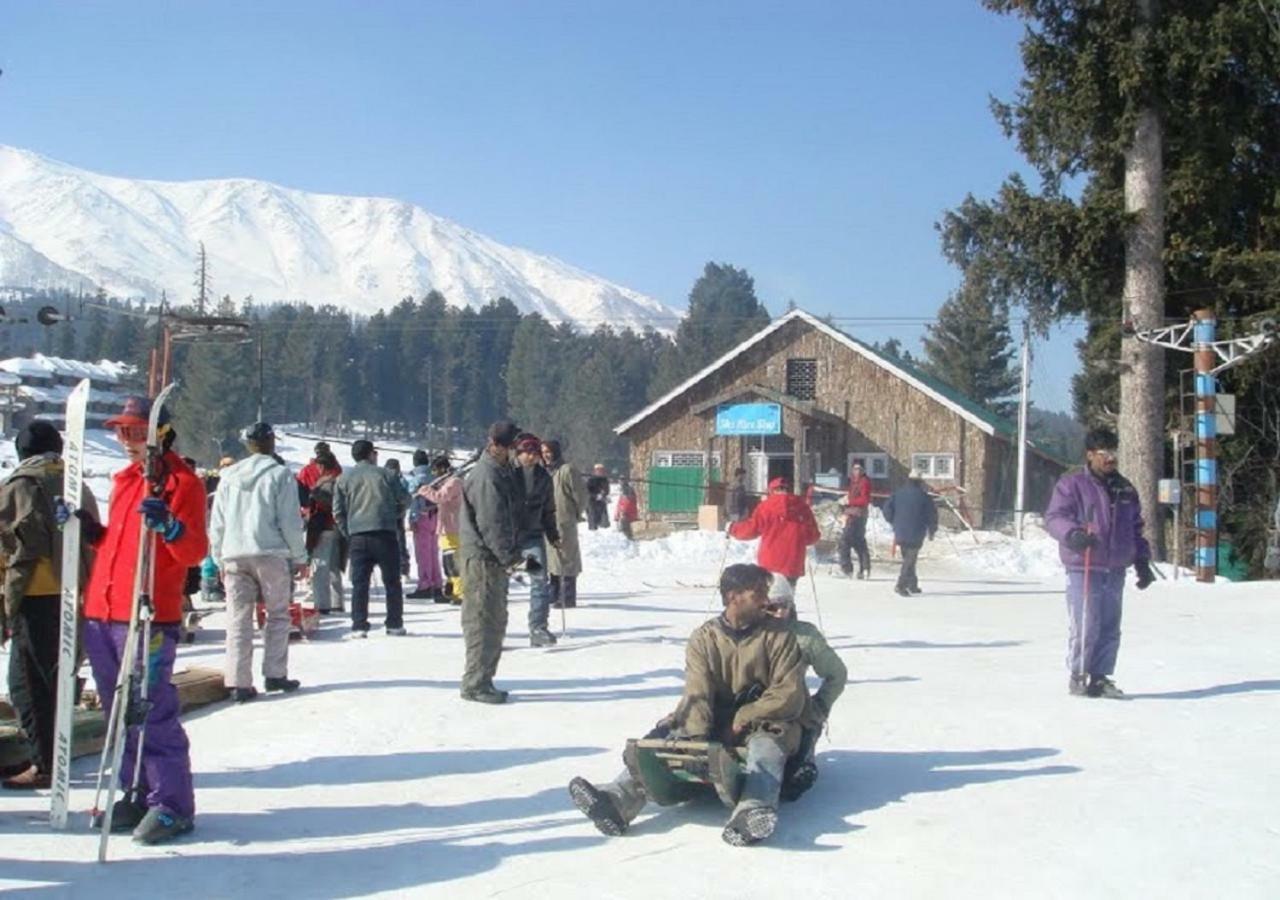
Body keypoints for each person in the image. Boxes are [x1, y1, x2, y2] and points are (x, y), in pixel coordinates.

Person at [567, 563, 807, 846]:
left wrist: (745, 715)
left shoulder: (780, 637)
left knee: (765, 749)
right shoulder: (704, 638)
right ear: (733, 597)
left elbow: (788, 693)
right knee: (667, 739)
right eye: (757, 594)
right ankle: (617, 799)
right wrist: (693, 738)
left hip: (766, 718)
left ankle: (752, 811)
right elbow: (698, 690)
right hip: (715, 714)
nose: (765, 601)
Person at [78, 395, 207, 844]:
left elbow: (193, 552)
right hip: (104, 610)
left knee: (149, 707)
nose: (124, 440)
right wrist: (89, 530)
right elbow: (119, 543)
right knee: (119, 712)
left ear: (159, 433)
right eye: (120, 431)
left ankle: (172, 802)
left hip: (148, 613)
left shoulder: (182, 483)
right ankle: (136, 788)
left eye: (134, 432)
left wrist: (170, 526)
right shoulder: (125, 481)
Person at [0, 421, 98, 790]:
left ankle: (45, 762)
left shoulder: (20, 486)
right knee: (61, 674)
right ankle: (51, 751)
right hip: (76, 589)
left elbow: (8, 543)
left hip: (36, 593)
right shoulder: (77, 485)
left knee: (27, 683)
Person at [1044, 427, 1153, 699]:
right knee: (1086, 622)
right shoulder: (1072, 484)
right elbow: (1054, 517)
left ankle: (1101, 676)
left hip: (1115, 567)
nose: (1110, 459)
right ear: (1090, 455)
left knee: (1109, 624)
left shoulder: (1125, 488)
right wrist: (1073, 534)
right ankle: (1079, 674)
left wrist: (1141, 560)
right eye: (1104, 453)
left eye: (1114, 452)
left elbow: (1135, 527)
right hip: (1085, 565)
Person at [208, 422, 308, 703]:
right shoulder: (279, 475)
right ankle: (275, 674)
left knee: (238, 619)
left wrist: (217, 556)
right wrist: (299, 556)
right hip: (270, 552)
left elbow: (217, 522)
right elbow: (290, 520)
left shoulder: (228, 476)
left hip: (234, 553)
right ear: (271, 442)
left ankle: (239, 682)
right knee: (277, 614)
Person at [761, 577, 847, 800]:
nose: (780, 613)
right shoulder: (747, 632)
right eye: (772, 607)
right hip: (750, 705)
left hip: (792, 711)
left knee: (793, 777)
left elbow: (836, 674)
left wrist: (819, 707)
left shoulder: (804, 637)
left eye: (785, 606)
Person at [458, 420, 523, 703]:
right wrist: (510, 557)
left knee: (496, 620)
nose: (515, 453)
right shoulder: (487, 476)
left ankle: (484, 678)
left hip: (493, 559)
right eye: (511, 447)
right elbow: (492, 523)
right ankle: (475, 683)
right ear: (497, 445)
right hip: (483, 559)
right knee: (482, 621)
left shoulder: (501, 472)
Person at [333, 439, 409, 637]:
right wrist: (396, 515)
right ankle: (394, 623)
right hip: (385, 532)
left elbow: (338, 511)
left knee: (360, 583)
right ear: (371, 454)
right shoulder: (387, 475)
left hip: (358, 534)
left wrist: (347, 531)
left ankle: (359, 624)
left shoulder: (344, 478)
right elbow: (405, 498)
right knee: (392, 582)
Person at [728, 476, 821, 587]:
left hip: (769, 563)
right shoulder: (802, 507)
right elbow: (813, 536)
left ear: (772, 491)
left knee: (768, 598)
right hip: (793, 563)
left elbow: (751, 530)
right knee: (786, 598)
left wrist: (732, 528)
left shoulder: (765, 507)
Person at [513, 433, 560, 647]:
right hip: (508, 537)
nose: (531, 457)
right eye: (527, 453)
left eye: (535, 453)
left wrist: (553, 534)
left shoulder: (543, 478)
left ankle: (538, 628)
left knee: (539, 579)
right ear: (518, 453)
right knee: (499, 584)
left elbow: (548, 509)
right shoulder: (507, 474)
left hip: (532, 536)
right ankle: (493, 631)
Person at [301, 444, 345, 614]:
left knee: (320, 565)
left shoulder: (322, 482)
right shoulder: (340, 477)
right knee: (335, 565)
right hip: (338, 526)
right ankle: (337, 601)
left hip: (322, 525)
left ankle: (322, 604)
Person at [542, 440, 587, 608]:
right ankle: (553, 593)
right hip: (549, 522)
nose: (546, 455)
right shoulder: (546, 471)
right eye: (543, 451)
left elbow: (581, 495)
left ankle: (567, 596)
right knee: (552, 559)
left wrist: (575, 513)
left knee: (567, 558)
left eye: (548, 451)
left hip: (564, 521)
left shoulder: (567, 470)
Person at [882, 470, 937, 597]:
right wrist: (932, 530)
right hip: (916, 531)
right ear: (920, 482)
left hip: (900, 531)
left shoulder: (898, 493)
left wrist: (893, 521)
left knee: (908, 558)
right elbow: (932, 515)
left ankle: (912, 584)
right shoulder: (924, 497)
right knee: (910, 560)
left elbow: (886, 509)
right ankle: (901, 585)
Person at [418, 455, 465, 604]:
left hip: (454, 528)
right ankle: (451, 590)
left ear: (443, 468)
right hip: (445, 528)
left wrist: (425, 491)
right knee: (447, 563)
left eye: (436, 470)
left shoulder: (454, 482)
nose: (434, 474)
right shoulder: (446, 483)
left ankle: (461, 592)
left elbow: (440, 497)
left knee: (454, 562)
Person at [405, 450, 443, 600]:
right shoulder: (435, 478)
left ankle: (425, 583)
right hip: (435, 515)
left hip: (421, 516)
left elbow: (413, 500)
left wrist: (412, 519)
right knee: (434, 552)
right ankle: (437, 582)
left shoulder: (415, 479)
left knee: (423, 553)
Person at [838, 463, 872, 579]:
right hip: (853, 514)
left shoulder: (864, 482)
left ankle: (847, 569)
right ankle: (865, 568)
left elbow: (865, 499)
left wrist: (850, 503)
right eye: (854, 469)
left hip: (858, 515)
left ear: (862, 470)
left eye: (858, 469)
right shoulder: (853, 482)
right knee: (859, 542)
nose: (856, 471)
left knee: (845, 541)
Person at [384, 457, 412, 578]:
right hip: (395, 516)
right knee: (399, 544)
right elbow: (407, 498)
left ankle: (399, 569)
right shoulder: (401, 481)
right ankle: (402, 569)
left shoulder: (384, 480)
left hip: (389, 517)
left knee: (395, 544)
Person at [585, 463, 610, 531]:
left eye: (601, 470)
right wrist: (595, 495)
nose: (600, 472)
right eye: (598, 470)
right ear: (595, 471)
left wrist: (603, 494)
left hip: (601, 501)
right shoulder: (590, 480)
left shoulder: (605, 480)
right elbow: (587, 491)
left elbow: (607, 490)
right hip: (591, 502)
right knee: (593, 520)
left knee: (603, 521)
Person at [615, 476, 638, 540]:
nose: (620, 482)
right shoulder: (623, 489)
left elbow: (630, 500)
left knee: (624, 522)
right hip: (623, 510)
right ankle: (626, 536)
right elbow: (620, 503)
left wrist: (623, 511)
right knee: (623, 523)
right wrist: (617, 514)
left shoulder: (628, 489)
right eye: (620, 481)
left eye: (622, 480)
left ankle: (628, 537)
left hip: (627, 510)